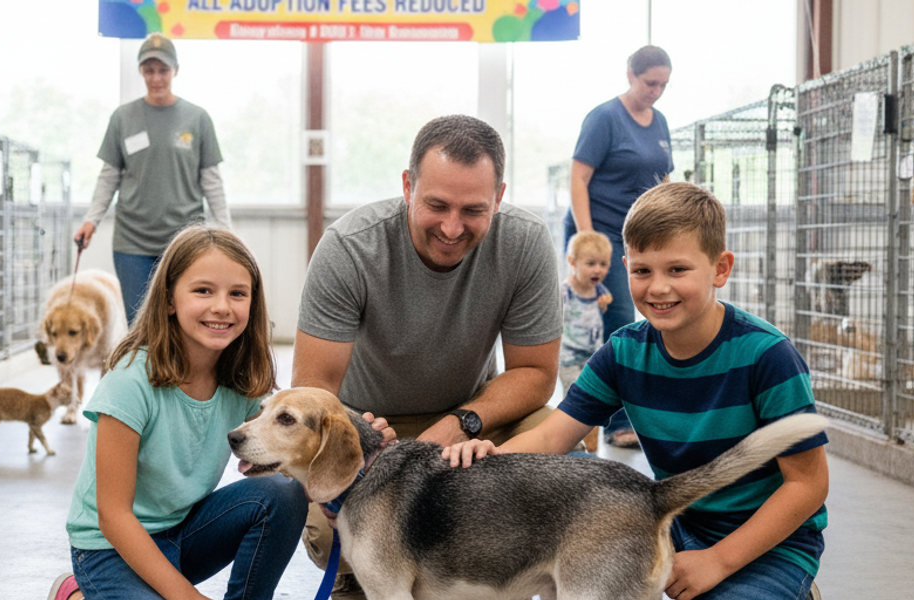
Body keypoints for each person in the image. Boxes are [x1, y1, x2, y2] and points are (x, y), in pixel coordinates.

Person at [445, 182, 830, 600]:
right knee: (564, 476)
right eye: (642, 271)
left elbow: (808, 485)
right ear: (625, 267)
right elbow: (552, 437)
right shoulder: (624, 351)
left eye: (677, 270)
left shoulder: (768, 356)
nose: (658, 287)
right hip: (671, 518)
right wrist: (491, 459)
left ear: (720, 268)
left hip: (767, 543)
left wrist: (717, 560)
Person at [293, 114, 563, 599]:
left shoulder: (525, 241)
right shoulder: (349, 248)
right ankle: (366, 569)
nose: (452, 227)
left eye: (474, 210)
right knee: (326, 530)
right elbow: (315, 394)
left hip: (470, 416)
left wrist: (462, 424)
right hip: (371, 428)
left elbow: (536, 373)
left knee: (556, 438)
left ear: (499, 198)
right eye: (436, 204)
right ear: (407, 187)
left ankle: (480, 570)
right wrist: (369, 441)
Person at [49, 226, 305, 600]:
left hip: (183, 533)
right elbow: (113, 516)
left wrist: (357, 437)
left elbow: (293, 434)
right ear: (169, 299)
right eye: (203, 290)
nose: (222, 306)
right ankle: (75, 594)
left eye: (237, 293)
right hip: (108, 550)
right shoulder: (130, 380)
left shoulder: (243, 375)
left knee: (284, 493)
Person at [74, 33, 232, 326]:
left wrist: (225, 231)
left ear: (175, 70)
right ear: (141, 72)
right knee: (141, 324)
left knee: (185, 321)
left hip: (184, 241)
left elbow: (212, 181)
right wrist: (91, 220)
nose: (156, 78)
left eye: (163, 70)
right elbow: (109, 176)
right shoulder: (123, 118)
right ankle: (146, 374)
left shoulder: (197, 118)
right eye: (149, 70)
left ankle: (181, 374)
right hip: (132, 242)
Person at [565, 44, 675, 448]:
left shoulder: (659, 121)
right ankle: (611, 423)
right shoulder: (605, 118)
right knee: (618, 321)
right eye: (650, 83)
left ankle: (637, 414)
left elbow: (662, 180)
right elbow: (579, 179)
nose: (656, 91)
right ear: (631, 74)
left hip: (640, 235)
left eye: (663, 85)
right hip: (602, 235)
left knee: (646, 318)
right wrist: (588, 241)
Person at [560, 230, 613, 452]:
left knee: (594, 402)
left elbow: (605, 297)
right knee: (576, 403)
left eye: (603, 264)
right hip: (569, 358)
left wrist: (606, 300)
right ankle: (573, 450)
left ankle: (590, 450)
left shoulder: (598, 289)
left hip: (592, 358)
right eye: (591, 263)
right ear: (573, 262)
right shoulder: (565, 291)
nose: (598, 270)